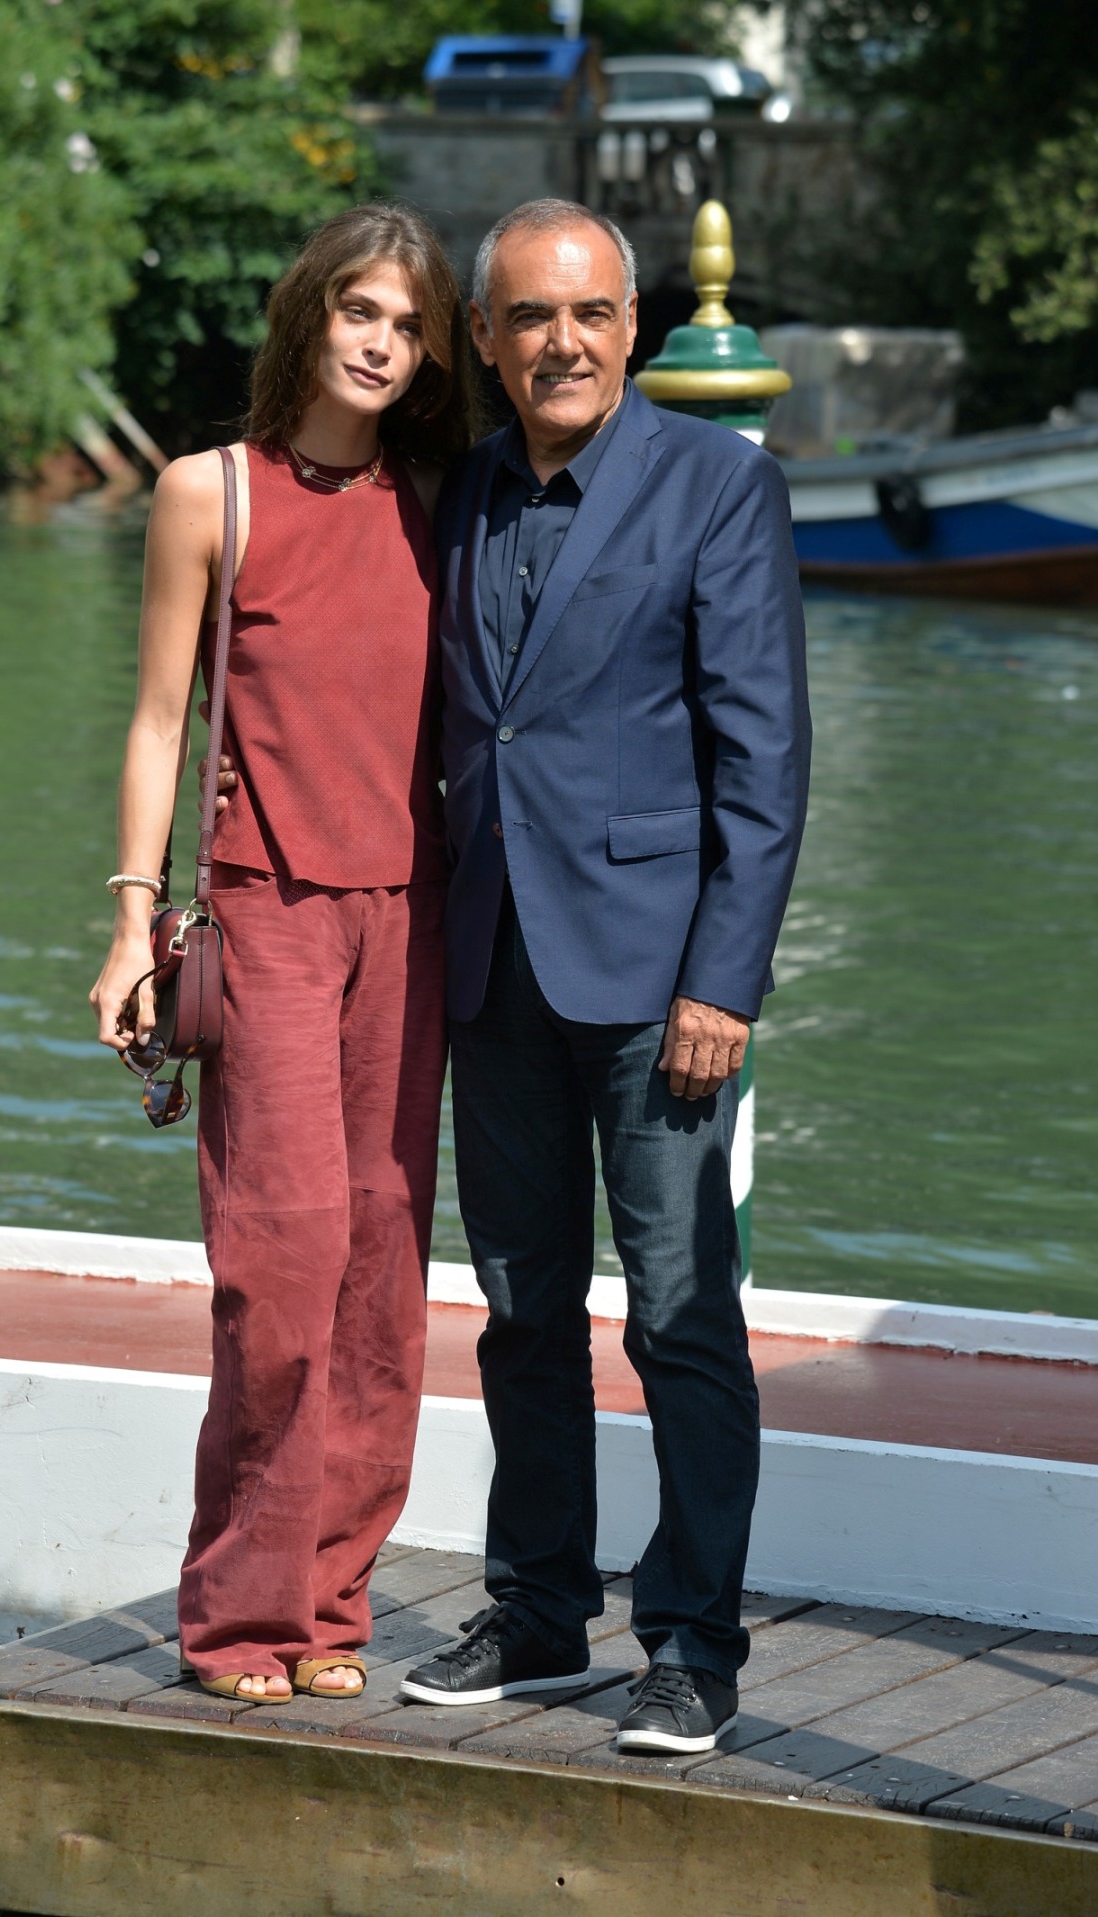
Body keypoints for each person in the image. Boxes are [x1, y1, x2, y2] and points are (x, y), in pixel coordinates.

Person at [394, 199, 812, 1753]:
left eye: (586, 314)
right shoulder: (463, 492)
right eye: (525, 318)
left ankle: (694, 1641)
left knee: (683, 1318)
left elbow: (765, 759)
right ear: (489, 344)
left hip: (662, 986)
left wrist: (728, 979)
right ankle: (544, 1611)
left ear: (630, 328)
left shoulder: (717, 488)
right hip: (495, 961)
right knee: (518, 1306)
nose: (558, 342)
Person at [90, 204, 475, 1705]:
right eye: (358, 311)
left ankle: (332, 1598)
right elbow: (155, 720)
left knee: (383, 1267)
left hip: (415, 920)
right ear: (308, 316)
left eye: (409, 323)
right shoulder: (210, 495)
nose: (380, 342)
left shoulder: (442, 498)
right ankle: (239, 1612)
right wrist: (131, 917)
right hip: (267, 915)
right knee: (283, 1253)